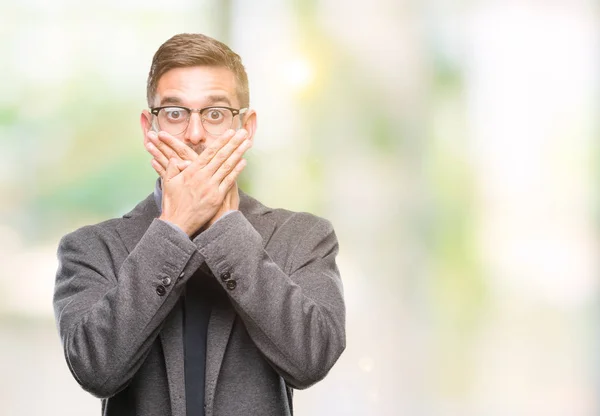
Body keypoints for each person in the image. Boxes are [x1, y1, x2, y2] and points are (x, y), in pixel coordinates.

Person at [53, 33, 346, 416]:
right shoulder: (91, 248)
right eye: (175, 113)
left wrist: (225, 225)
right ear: (149, 129)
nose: (194, 134)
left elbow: (312, 360)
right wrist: (174, 226)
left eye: (215, 113)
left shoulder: (304, 238)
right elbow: (96, 371)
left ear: (247, 128)